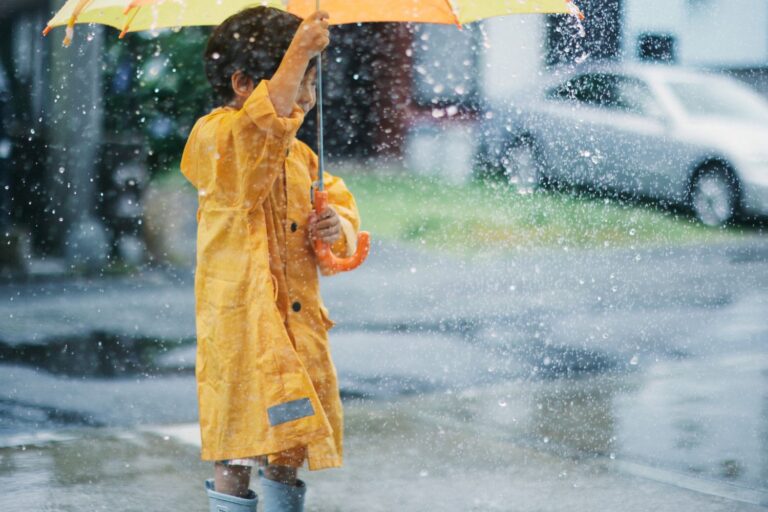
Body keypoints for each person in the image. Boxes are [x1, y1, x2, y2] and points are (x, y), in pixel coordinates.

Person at [180, 7, 362, 512]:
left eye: (310, 84)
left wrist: (336, 227)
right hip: (241, 328)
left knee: (289, 439)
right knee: (236, 440)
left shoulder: (300, 156)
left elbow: (342, 211)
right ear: (242, 82)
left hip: (292, 330)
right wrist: (300, 48)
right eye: (300, 82)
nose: (307, 97)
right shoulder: (214, 136)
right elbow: (258, 134)